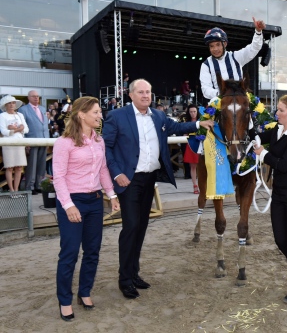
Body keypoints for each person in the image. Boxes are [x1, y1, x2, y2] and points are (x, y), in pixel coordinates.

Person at [103, 79, 214, 299]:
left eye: (148, 92)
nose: (146, 95)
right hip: (128, 181)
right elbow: (105, 148)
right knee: (131, 227)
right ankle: (124, 279)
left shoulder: (159, 116)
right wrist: (117, 174)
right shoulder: (116, 116)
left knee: (141, 227)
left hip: (149, 180)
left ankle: (134, 274)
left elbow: (176, 127)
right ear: (131, 95)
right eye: (141, 92)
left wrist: (199, 124)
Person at [53, 96, 120, 322]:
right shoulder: (64, 142)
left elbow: (102, 170)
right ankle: (64, 300)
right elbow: (59, 178)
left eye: (100, 112)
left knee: (92, 251)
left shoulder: (98, 141)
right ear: (81, 115)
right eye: (96, 112)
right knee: (70, 253)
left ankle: (85, 292)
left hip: (94, 201)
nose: (100, 115)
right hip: (72, 201)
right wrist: (68, 205)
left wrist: (111, 195)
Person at [252, 94, 287, 304]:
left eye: (281, 110)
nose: (277, 113)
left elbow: (283, 164)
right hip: (279, 193)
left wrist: (263, 154)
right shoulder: (276, 129)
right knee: (279, 239)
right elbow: (255, 135)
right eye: (278, 110)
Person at [200, 17, 266, 101]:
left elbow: (254, 48)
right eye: (211, 46)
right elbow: (206, 89)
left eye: (218, 45)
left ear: (225, 44)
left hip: (240, 100)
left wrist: (258, 32)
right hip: (219, 102)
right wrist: (222, 94)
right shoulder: (206, 65)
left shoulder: (236, 56)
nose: (215, 49)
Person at [18, 90, 50, 195]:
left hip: (44, 140)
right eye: (33, 96)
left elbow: (44, 125)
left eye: (37, 96)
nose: (36, 98)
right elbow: (23, 127)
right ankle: (30, 186)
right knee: (32, 165)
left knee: (41, 165)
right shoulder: (23, 110)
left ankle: (39, 185)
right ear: (28, 98)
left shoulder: (42, 108)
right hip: (31, 140)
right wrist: (25, 142)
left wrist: (48, 139)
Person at [0, 95, 29, 193]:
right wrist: (16, 129)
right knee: (9, 167)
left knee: (19, 167)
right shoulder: (2, 116)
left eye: (13, 103)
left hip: (19, 142)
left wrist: (16, 129)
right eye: (9, 103)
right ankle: (11, 190)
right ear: (5, 105)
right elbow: (4, 131)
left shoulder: (20, 115)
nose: (12, 105)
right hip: (8, 144)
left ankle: (16, 190)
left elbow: (26, 129)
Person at [181, 104, 200, 192]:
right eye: (191, 112)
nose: (193, 113)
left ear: (197, 112)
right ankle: (195, 185)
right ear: (189, 112)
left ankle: (201, 185)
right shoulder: (186, 122)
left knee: (202, 166)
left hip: (201, 144)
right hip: (191, 144)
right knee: (193, 166)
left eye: (194, 111)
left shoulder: (202, 120)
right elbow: (184, 133)